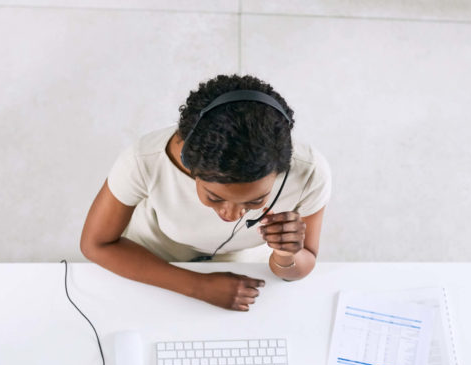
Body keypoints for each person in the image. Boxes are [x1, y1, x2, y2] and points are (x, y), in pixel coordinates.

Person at [80, 74, 331, 312]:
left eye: (256, 200)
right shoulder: (143, 160)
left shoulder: (310, 173)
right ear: (189, 164)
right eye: (215, 197)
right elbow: (96, 245)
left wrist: (288, 253)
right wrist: (199, 286)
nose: (232, 215)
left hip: (244, 267)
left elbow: (303, 264)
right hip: (153, 259)